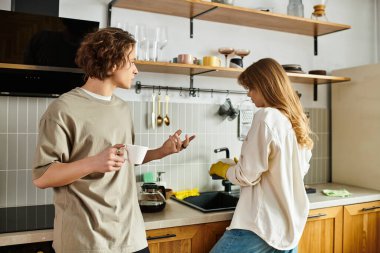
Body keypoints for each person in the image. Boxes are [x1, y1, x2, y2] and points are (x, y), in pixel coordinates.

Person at [32, 27, 195, 253]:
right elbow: (42, 177)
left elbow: (124, 159)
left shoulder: (122, 108)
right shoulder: (62, 109)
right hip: (87, 241)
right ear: (111, 61)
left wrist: (161, 151)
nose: (136, 70)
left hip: (131, 237)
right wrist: (93, 163)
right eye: (132, 61)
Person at [209, 58, 313, 253]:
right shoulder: (295, 120)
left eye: (251, 87)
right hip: (289, 230)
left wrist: (225, 170)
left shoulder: (266, 116)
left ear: (266, 86)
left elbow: (246, 176)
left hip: (260, 227)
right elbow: (294, 169)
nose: (248, 94)